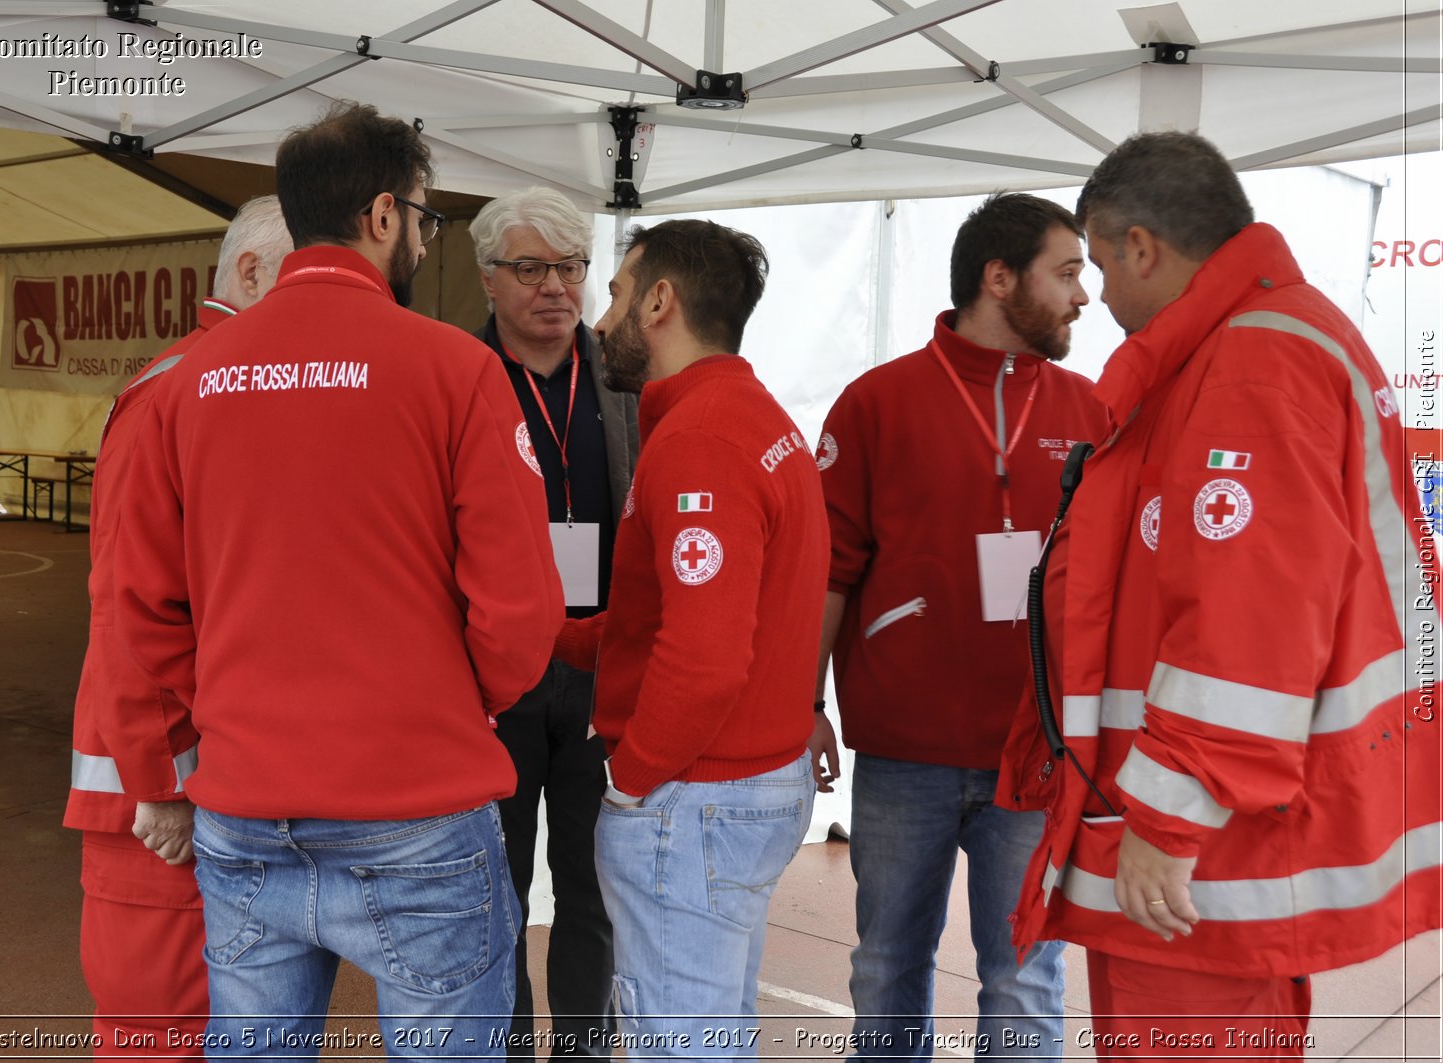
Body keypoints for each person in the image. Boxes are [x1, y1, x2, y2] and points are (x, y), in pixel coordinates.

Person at [109, 102, 565, 1056]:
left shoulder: (187, 383)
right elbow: (522, 605)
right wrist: (450, 702)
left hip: (245, 806)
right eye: (428, 219)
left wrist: (226, 708)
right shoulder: (457, 370)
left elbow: (138, 603)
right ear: (387, 214)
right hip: (419, 808)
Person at [999, 131, 1442, 1056]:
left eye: (1100, 265)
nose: (1098, 295)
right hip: (1216, 839)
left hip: (1204, 851)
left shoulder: (1251, 364)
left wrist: (1170, 815)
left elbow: (1250, 632)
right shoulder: (1253, 343)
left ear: (1142, 248)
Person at [810, 192, 1101, 1059]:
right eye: (1067, 272)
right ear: (998, 277)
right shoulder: (876, 403)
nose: (1084, 294)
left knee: (1025, 977)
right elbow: (828, 572)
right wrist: (803, 703)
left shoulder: (1093, 411)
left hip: (1037, 754)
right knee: (888, 965)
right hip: (906, 755)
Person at [555, 219, 828, 1056]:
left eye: (615, 294)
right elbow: (666, 620)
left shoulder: (700, 440)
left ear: (660, 301)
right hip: (741, 784)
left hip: (696, 795)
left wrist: (629, 785)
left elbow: (705, 657)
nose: (599, 321)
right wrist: (551, 633)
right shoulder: (749, 417)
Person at [64, 194, 291, 1057]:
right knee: (157, 1026)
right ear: (250, 271)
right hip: (153, 788)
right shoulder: (183, 388)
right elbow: (128, 601)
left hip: (219, 781)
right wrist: (160, 778)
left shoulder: (233, 380)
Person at [468, 188, 638, 1059]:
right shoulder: (456, 374)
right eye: (530, 268)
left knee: (593, 886)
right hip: (494, 673)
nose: (555, 288)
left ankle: (583, 1048)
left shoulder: (621, 371)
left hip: (601, 665)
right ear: (489, 279)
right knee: (493, 886)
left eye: (570, 267)